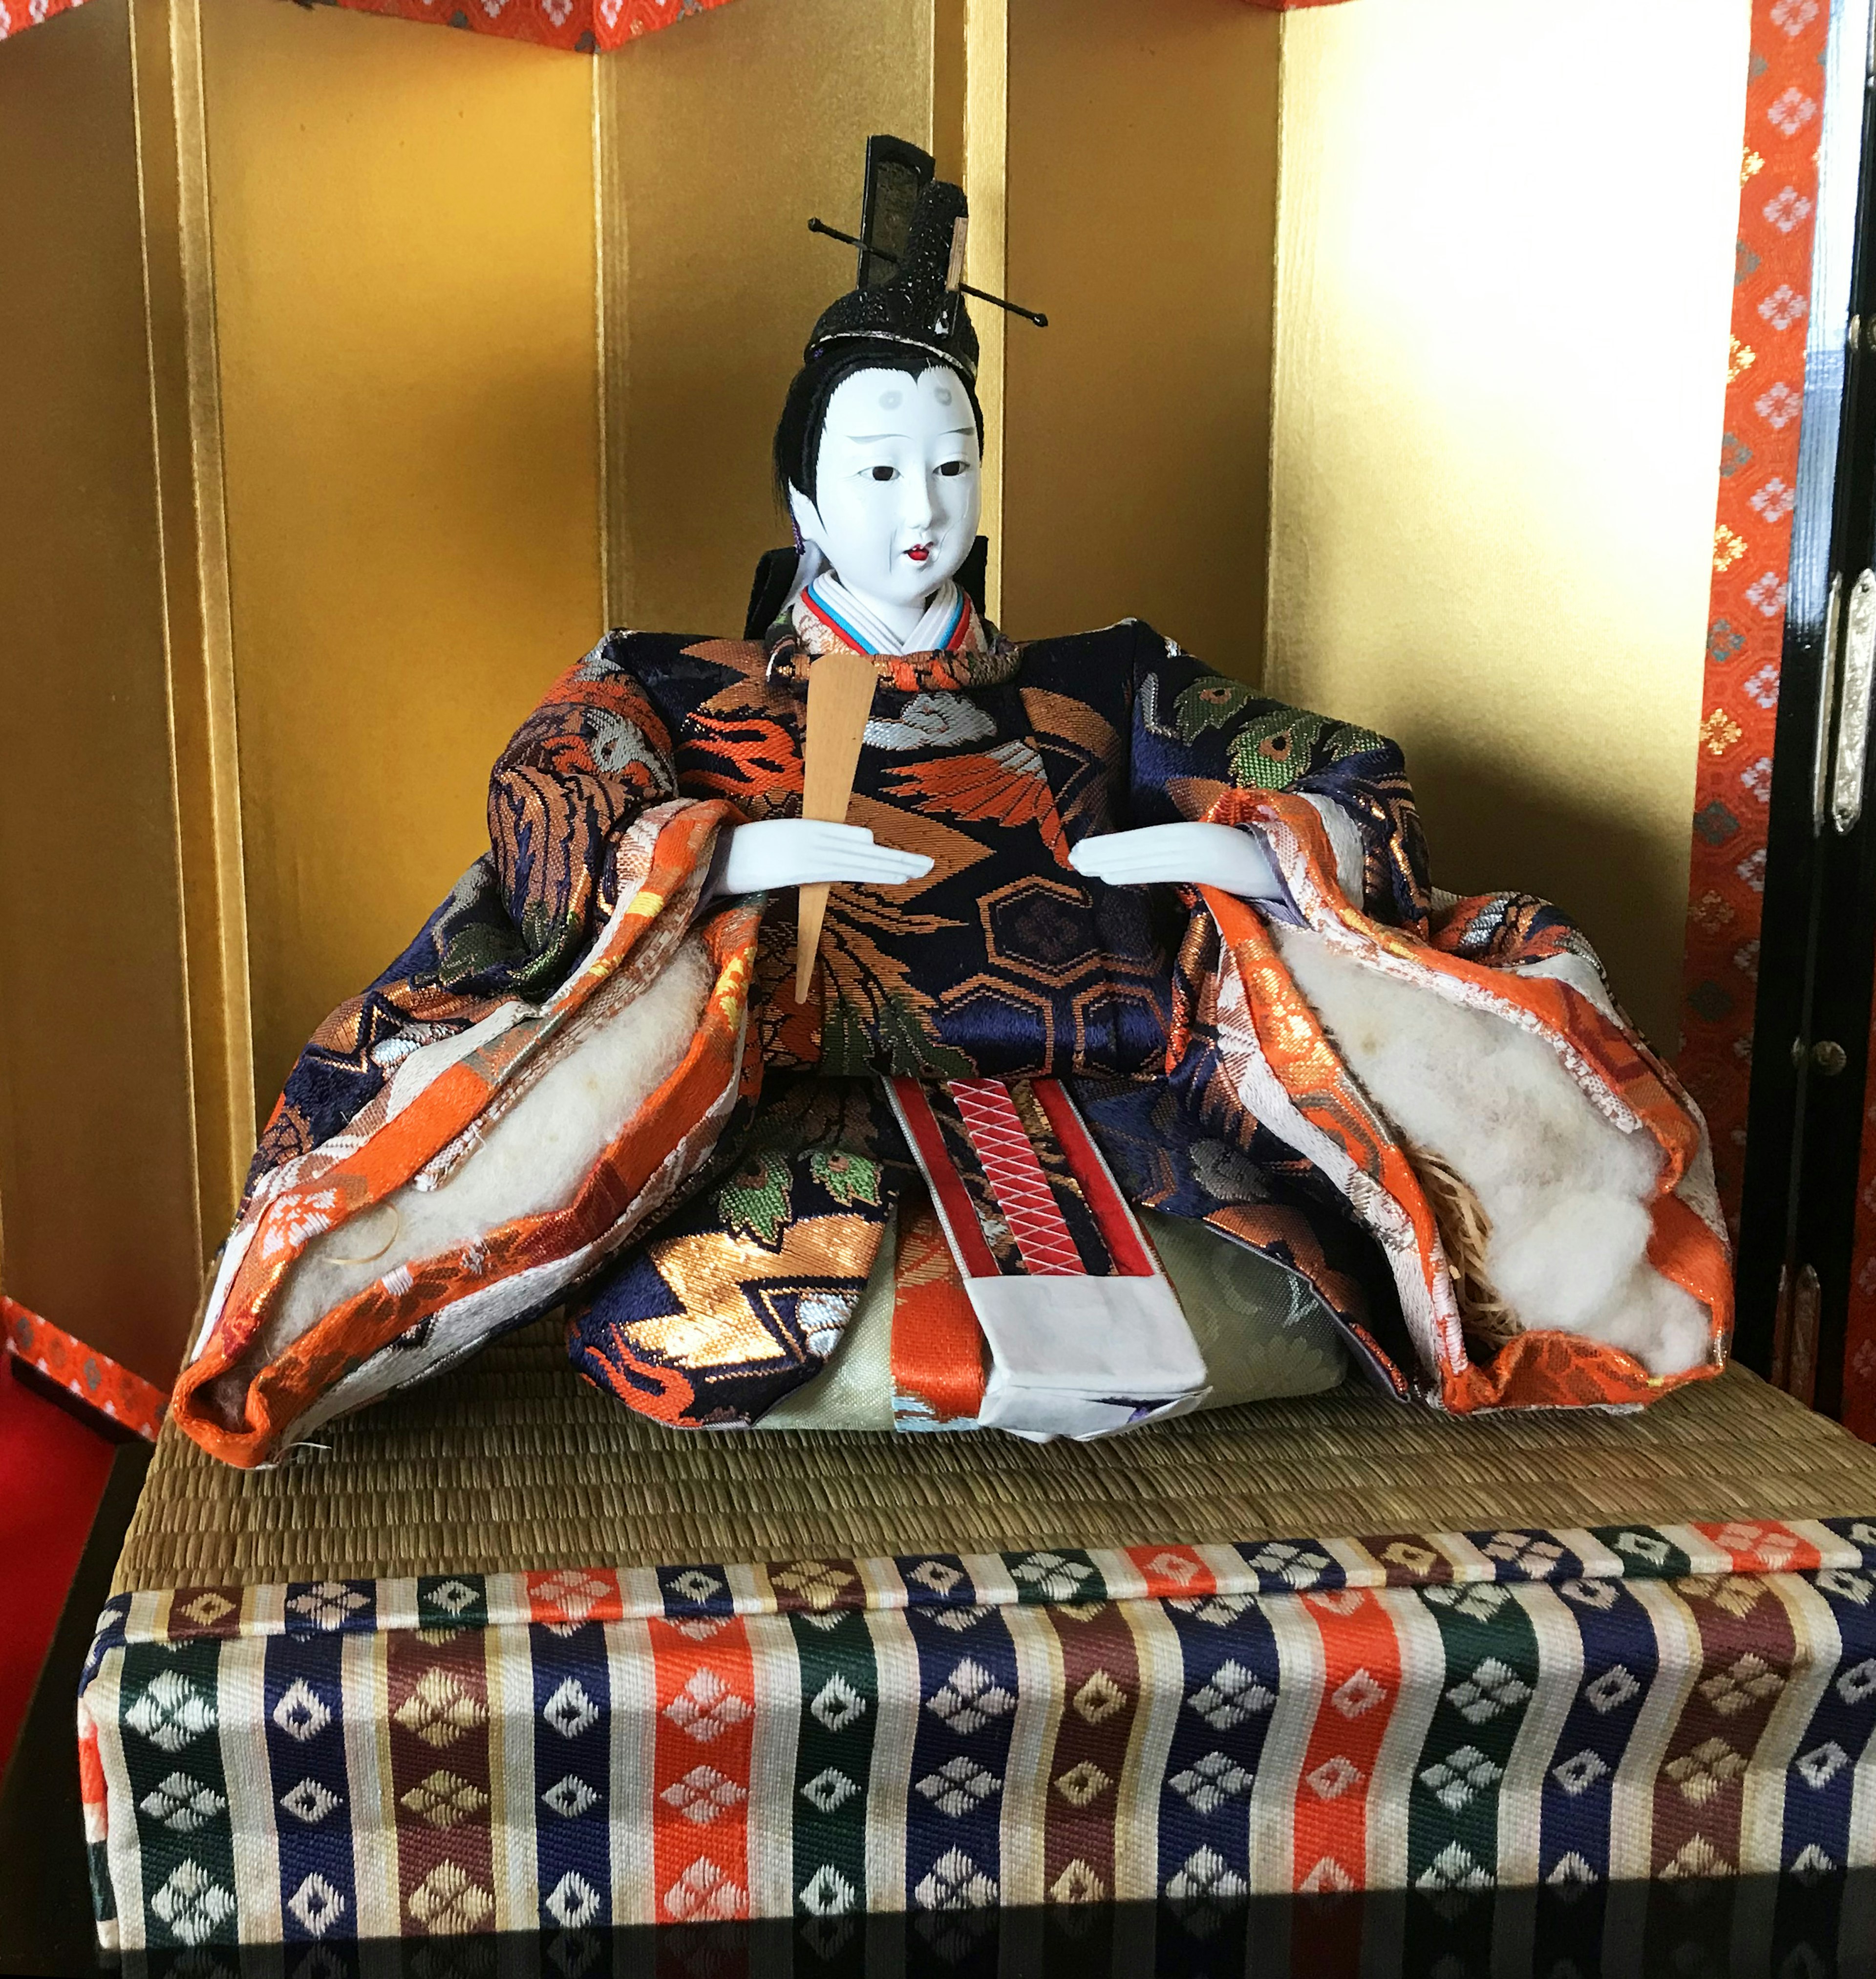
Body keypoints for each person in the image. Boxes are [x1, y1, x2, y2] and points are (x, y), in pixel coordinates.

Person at [171, 146, 1727, 1469]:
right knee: (739, 1317)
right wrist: (707, 859)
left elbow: (1343, 769)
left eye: (953, 467)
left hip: (1133, 1128)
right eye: (875, 474)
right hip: (793, 1156)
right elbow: (552, 782)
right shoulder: (673, 678)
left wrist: (1238, 850)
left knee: (1261, 1298)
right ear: (800, 497)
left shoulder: (1102, 680)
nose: (921, 517)